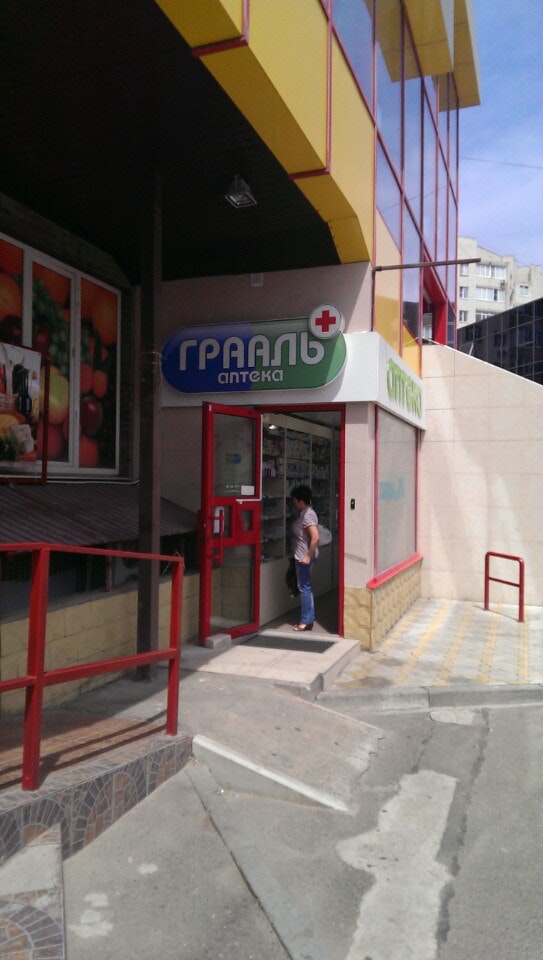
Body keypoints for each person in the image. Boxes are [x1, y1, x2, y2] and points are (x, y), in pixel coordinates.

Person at [290, 484, 320, 631]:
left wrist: (308, 556)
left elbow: (315, 538)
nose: (293, 503)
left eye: (295, 500)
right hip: (301, 556)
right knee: (304, 587)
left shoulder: (308, 515)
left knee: (304, 588)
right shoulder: (304, 513)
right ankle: (308, 619)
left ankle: (306, 621)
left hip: (304, 558)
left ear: (301, 501)